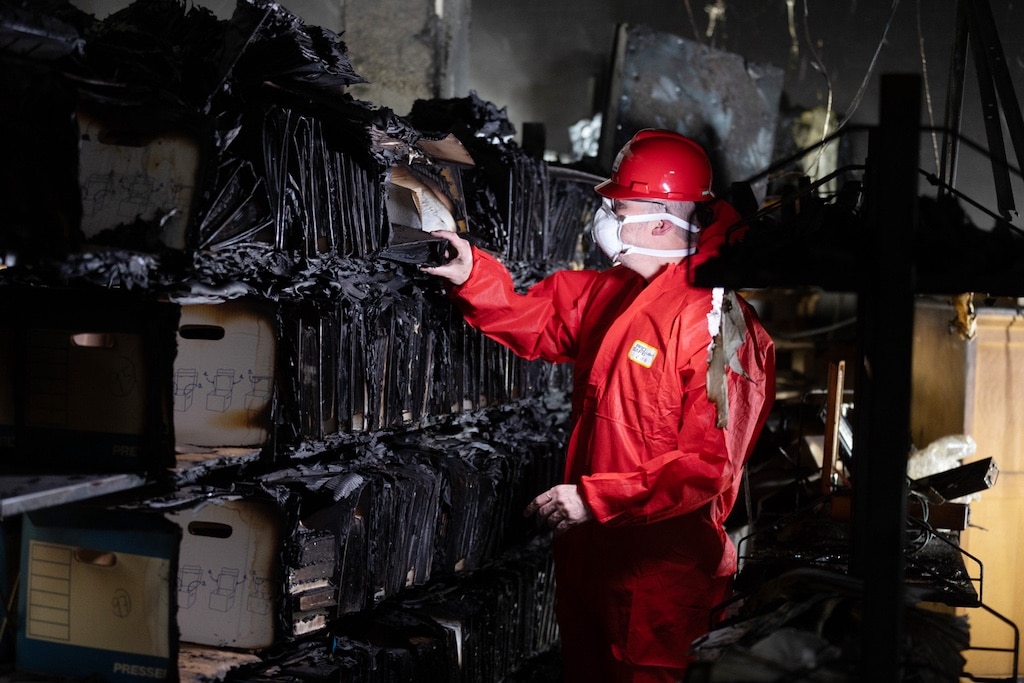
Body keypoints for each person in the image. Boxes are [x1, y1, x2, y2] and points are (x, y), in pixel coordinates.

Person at [423, 129, 775, 683]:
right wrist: (473, 275)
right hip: (592, 557)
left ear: (662, 221)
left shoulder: (717, 326)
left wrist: (598, 498)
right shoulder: (613, 291)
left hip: (660, 574)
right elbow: (537, 318)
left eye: (619, 206)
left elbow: (708, 465)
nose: (605, 217)